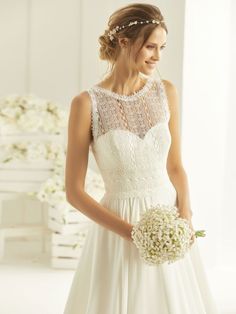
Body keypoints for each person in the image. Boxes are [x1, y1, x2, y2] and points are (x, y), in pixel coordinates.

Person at [64, 3, 219, 313]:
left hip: (167, 222)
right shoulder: (86, 104)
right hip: (118, 226)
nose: (158, 56)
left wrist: (184, 220)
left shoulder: (166, 92)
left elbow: (175, 166)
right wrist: (132, 233)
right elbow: (74, 193)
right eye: (150, 46)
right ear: (124, 42)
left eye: (162, 47)